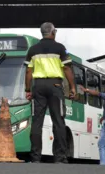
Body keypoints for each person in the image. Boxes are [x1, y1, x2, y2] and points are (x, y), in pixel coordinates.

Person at [24, 22, 76, 164]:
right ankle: (60, 158)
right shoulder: (60, 48)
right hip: (55, 85)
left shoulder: (33, 50)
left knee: (37, 122)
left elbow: (28, 71)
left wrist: (27, 90)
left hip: (38, 86)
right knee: (58, 122)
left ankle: (35, 158)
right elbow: (67, 69)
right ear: (53, 32)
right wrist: (72, 88)